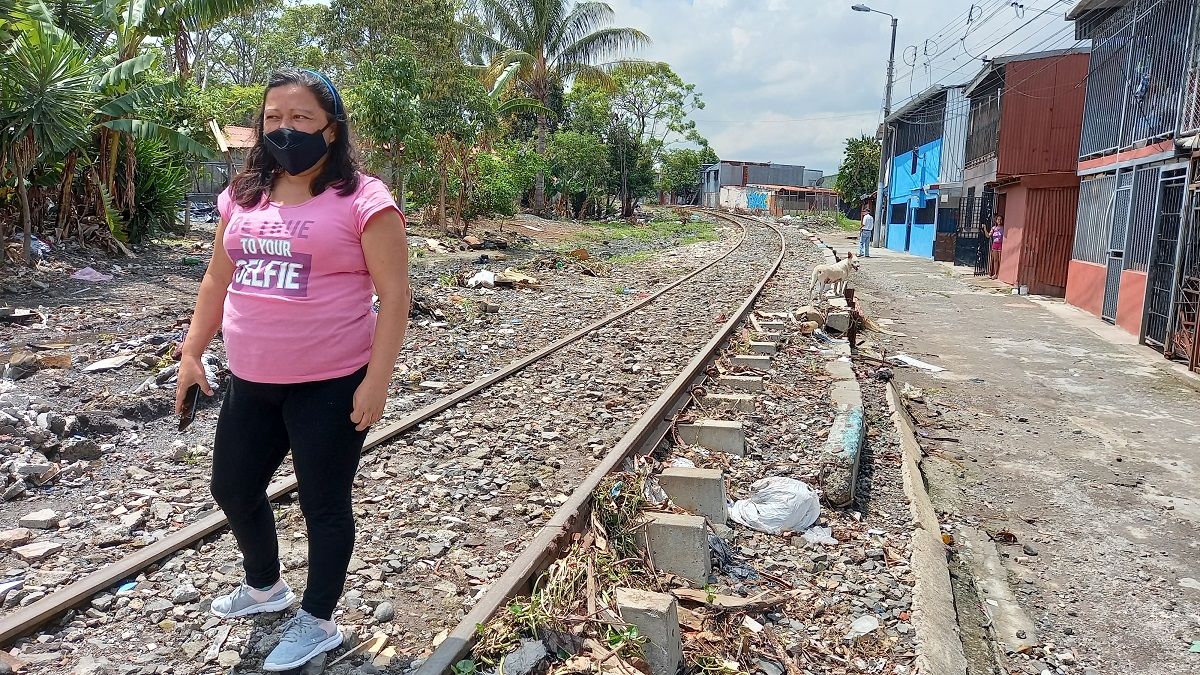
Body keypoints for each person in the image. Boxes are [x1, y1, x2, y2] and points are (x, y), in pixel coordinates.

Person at [175, 69, 410, 671]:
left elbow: (395, 297)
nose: (285, 129)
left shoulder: (365, 202)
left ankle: (318, 618)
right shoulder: (243, 195)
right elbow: (215, 278)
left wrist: (376, 382)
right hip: (250, 379)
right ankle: (265, 587)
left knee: (323, 505)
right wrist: (192, 351)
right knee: (231, 487)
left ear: (331, 129)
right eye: (273, 117)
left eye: (302, 118)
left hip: (330, 384)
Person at [986, 214, 1004, 278]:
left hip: (1001, 244)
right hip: (995, 244)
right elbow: (988, 235)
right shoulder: (993, 228)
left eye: (1000, 219)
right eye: (998, 219)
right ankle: (996, 274)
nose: (999, 221)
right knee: (995, 260)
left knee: (1000, 260)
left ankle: (1000, 273)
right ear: (996, 220)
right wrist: (985, 229)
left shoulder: (1003, 228)